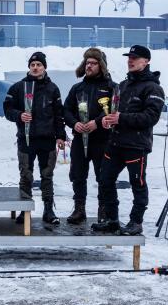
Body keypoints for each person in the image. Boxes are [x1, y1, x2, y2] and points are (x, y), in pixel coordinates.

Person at [92, 45, 165, 235]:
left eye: (135, 57)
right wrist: (107, 120)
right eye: (129, 57)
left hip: (136, 146)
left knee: (137, 184)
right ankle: (112, 219)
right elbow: (113, 112)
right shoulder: (122, 86)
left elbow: (151, 117)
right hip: (115, 143)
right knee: (105, 180)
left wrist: (120, 118)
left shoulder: (154, 88)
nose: (130, 60)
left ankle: (136, 222)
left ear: (146, 61)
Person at [3, 52, 66, 224]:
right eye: (33, 65)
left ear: (44, 67)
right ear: (29, 67)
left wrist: (61, 136)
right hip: (26, 140)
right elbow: (7, 109)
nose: (36, 67)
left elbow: (59, 115)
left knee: (47, 176)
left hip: (47, 140)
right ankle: (25, 210)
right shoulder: (18, 87)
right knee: (26, 175)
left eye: (39, 64)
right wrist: (19, 115)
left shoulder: (53, 89)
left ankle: (48, 210)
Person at [64, 48, 117, 224]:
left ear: (101, 65)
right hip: (80, 139)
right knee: (78, 175)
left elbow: (115, 110)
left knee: (103, 176)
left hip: (102, 140)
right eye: (87, 62)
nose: (89, 66)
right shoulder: (77, 88)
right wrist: (74, 123)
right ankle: (79, 209)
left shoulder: (112, 88)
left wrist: (97, 122)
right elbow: (66, 110)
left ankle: (103, 210)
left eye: (93, 63)